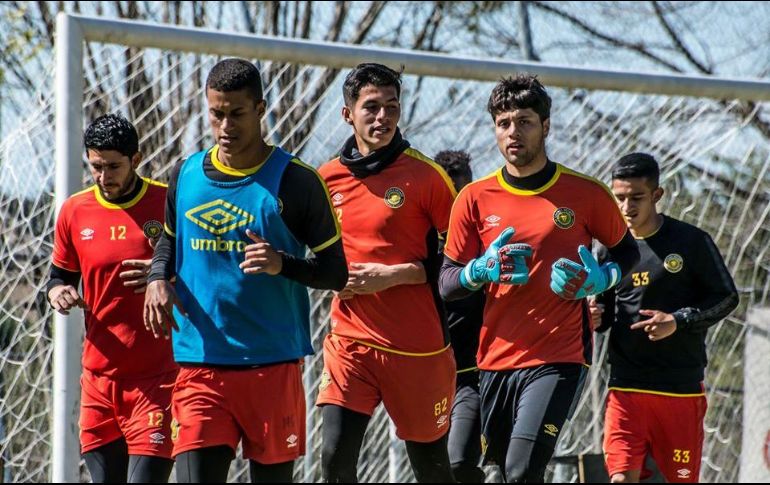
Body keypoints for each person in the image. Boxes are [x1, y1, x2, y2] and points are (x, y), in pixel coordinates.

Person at [143, 58, 347, 483]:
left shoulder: (297, 181)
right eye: (216, 113)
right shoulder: (186, 173)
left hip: (271, 365)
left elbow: (335, 273)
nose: (225, 126)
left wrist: (282, 263)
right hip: (201, 364)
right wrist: (157, 278)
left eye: (236, 114)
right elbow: (169, 239)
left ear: (260, 109)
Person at [439, 74, 641, 483]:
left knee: (521, 471)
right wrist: (477, 271)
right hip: (493, 361)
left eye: (525, 121)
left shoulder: (585, 193)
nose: (514, 132)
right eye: (504, 122)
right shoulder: (474, 199)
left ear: (545, 126)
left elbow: (628, 253)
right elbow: (447, 282)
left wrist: (601, 279)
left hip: (559, 357)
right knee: (470, 468)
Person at [316, 63, 457, 483]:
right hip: (349, 342)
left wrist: (393, 275)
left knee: (431, 470)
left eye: (391, 107)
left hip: (417, 348)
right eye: (371, 107)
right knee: (335, 460)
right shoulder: (325, 179)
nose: (382, 118)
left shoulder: (428, 178)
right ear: (348, 115)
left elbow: (456, 263)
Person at [592, 153, 739, 484]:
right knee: (619, 478)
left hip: (679, 391)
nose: (627, 206)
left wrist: (678, 321)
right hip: (625, 387)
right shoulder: (608, 248)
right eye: (620, 198)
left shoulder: (691, 242)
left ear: (657, 195)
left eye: (637, 198)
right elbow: (603, 314)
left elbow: (728, 297)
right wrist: (593, 317)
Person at [48, 113, 176, 483]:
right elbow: (59, 275)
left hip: (157, 380)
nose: (104, 178)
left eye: (114, 167)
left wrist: (163, 275)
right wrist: (58, 291)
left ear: (136, 160)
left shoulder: (165, 203)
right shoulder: (74, 210)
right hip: (99, 382)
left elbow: (197, 274)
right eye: (96, 167)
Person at [434, 150, 487, 483]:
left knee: (459, 465)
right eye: (447, 194)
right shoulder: (418, 243)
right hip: (427, 375)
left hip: (474, 375)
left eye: (461, 193)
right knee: (435, 470)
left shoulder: (487, 243)